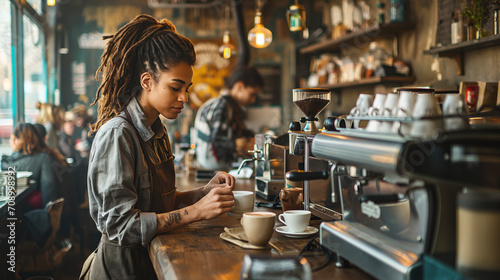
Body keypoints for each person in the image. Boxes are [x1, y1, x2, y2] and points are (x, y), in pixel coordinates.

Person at [80, 14, 236, 280]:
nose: (184, 98)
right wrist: (196, 212)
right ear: (147, 81)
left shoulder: (157, 129)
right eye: (175, 87)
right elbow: (121, 226)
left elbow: (152, 202)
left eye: (186, 88)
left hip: (148, 264)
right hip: (121, 270)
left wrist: (202, 193)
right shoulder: (118, 135)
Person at [194, 66, 263, 171]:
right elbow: (218, 140)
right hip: (213, 168)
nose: (253, 100)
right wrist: (240, 144)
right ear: (239, 87)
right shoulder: (221, 104)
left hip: (219, 167)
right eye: (252, 94)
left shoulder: (231, 107)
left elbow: (239, 133)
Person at [1, 123, 67, 209]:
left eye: (12, 138)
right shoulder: (44, 157)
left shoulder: (8, 163)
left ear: (16, 140)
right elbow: (49, 191)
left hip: (27, 212)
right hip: (39, 211)